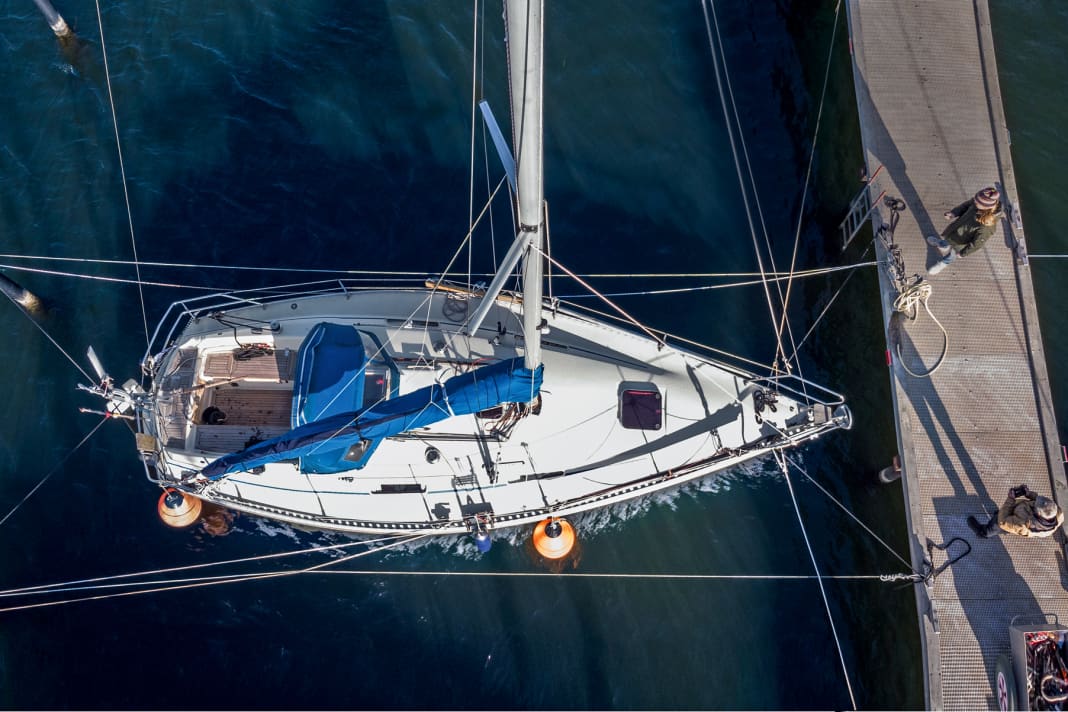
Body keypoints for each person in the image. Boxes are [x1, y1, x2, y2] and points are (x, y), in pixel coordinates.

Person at [926, 186, 1004, 275]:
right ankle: (942, 245)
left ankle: (943, 263)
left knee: (952, 255)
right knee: (946, 240)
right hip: (954, 231)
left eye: (977, 202)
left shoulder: (987, 226)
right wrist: (954, 213)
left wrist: (963, 253)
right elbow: (965, 206)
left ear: (986, 207)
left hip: (961, 244)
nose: (974, 201)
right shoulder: (977, 203)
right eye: (975, 199)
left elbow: (977, 243)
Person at [967, 485, 1064, 538]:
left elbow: (1002, 522)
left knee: (995, 525)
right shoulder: (1056, 513)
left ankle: (982, 533)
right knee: (1001, 514)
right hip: (1018, 513)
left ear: (1038, 514)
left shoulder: (1023, 525)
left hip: (1008, 521)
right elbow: (1040, 500)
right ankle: (1000, 513)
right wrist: (1029, 494)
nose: (1035, 501)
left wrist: (1010, 499)